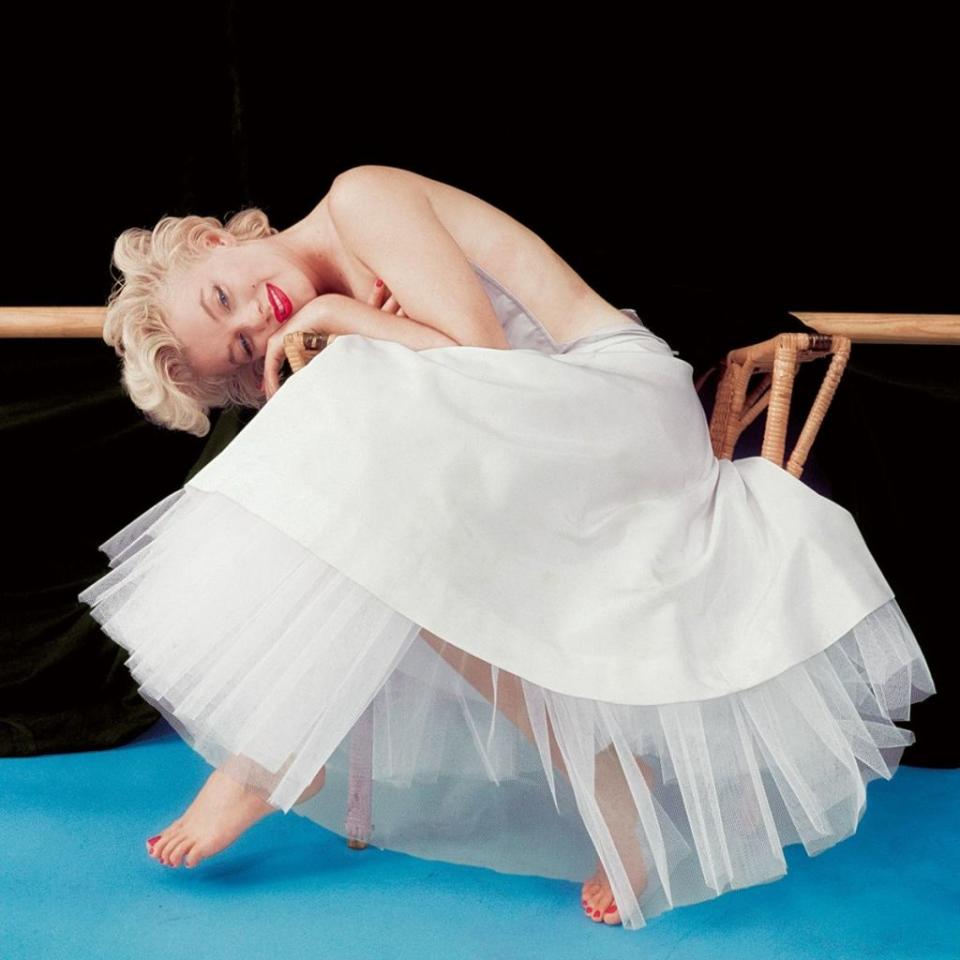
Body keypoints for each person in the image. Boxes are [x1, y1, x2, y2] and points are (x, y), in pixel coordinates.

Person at [79, 164, 936, 932]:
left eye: (221, 295)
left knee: (358, 425)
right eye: (240, 348)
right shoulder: (316, 334)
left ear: (212, 240)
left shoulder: (358, 198)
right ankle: (603, 781)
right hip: (530, 438)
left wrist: (340, 314)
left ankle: (276, 750)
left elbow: (485, 360)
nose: (256, 322)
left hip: (611, 395)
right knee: (396, 525)